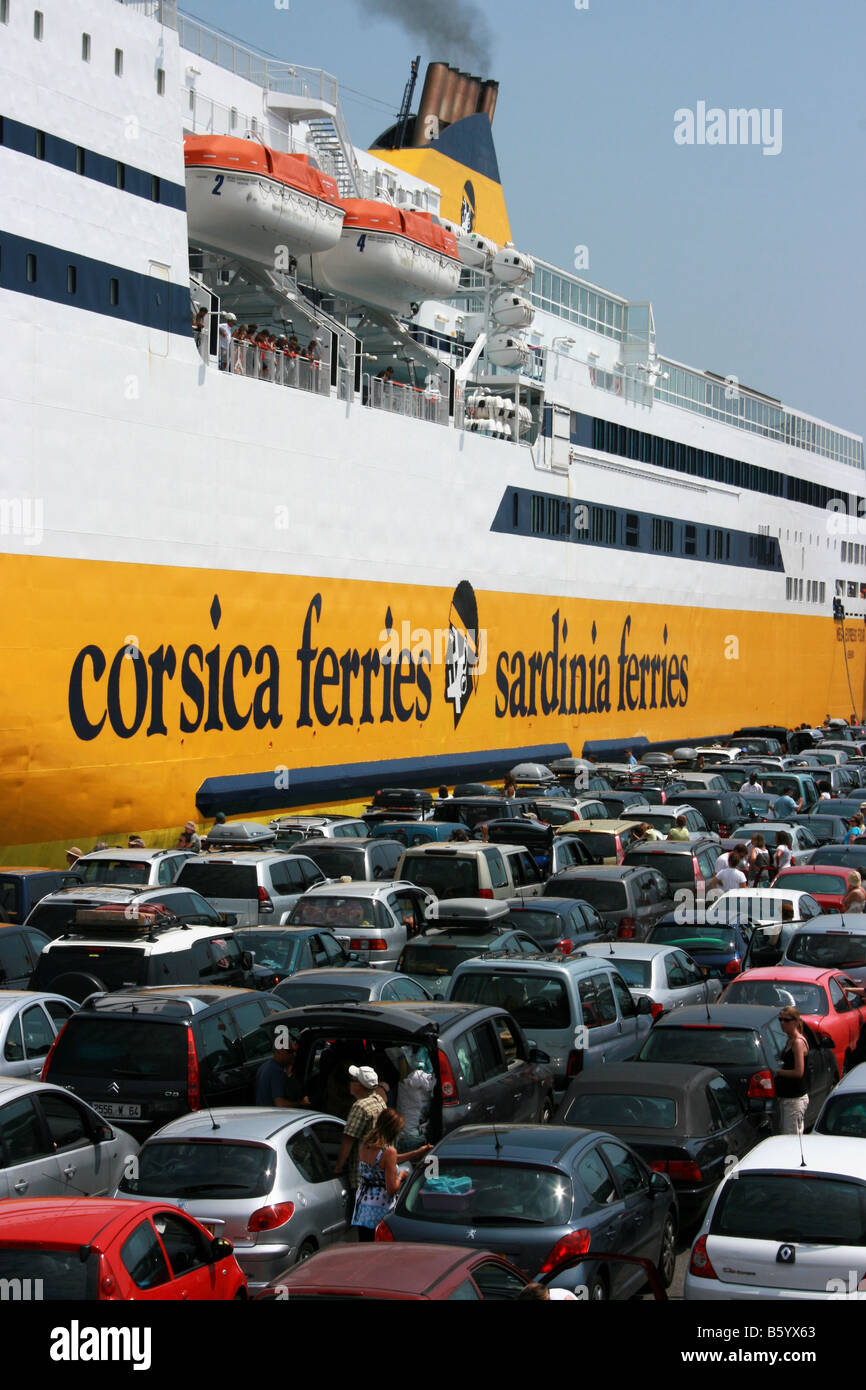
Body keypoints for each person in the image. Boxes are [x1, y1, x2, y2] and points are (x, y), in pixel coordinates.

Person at [352, 1108, 432, 1242]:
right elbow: (391, 1189)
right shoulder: (389, 1151)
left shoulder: (366, 1144)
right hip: (379, 1210)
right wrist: (401, 1176)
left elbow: (387, 1161)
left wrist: (416, 1153)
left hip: (363, 1207)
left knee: (364, 1249)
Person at [334, 1065, 387, 1214]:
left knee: (363, 1225)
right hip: (378, 1172)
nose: (350, 1083)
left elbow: (348, 1140)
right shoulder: (379, 1101)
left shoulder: (360, 1106)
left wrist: (338, 1167)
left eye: (352, 1080)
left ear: (359, 1085)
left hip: (361, 1177)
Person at [775, 1007, 809, 1134]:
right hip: (785, 1097)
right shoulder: (789, 1040)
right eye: (780, 1020)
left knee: (791, 1138)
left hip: (795, 1099)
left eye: (786, 1020)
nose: (782, 1023)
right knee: (784, 1136)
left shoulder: (798, 1042)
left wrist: (778, 1072)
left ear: (795, 1021)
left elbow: (798, 1072)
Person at [255, 1034, 308, 1107]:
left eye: (294, 1051)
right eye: (290, 1051)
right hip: (274, 1116)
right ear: (279, 1051)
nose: (294, 1054)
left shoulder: (264, 1067)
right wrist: (301, 1103)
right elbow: (280, 1104)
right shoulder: (276, 1071)